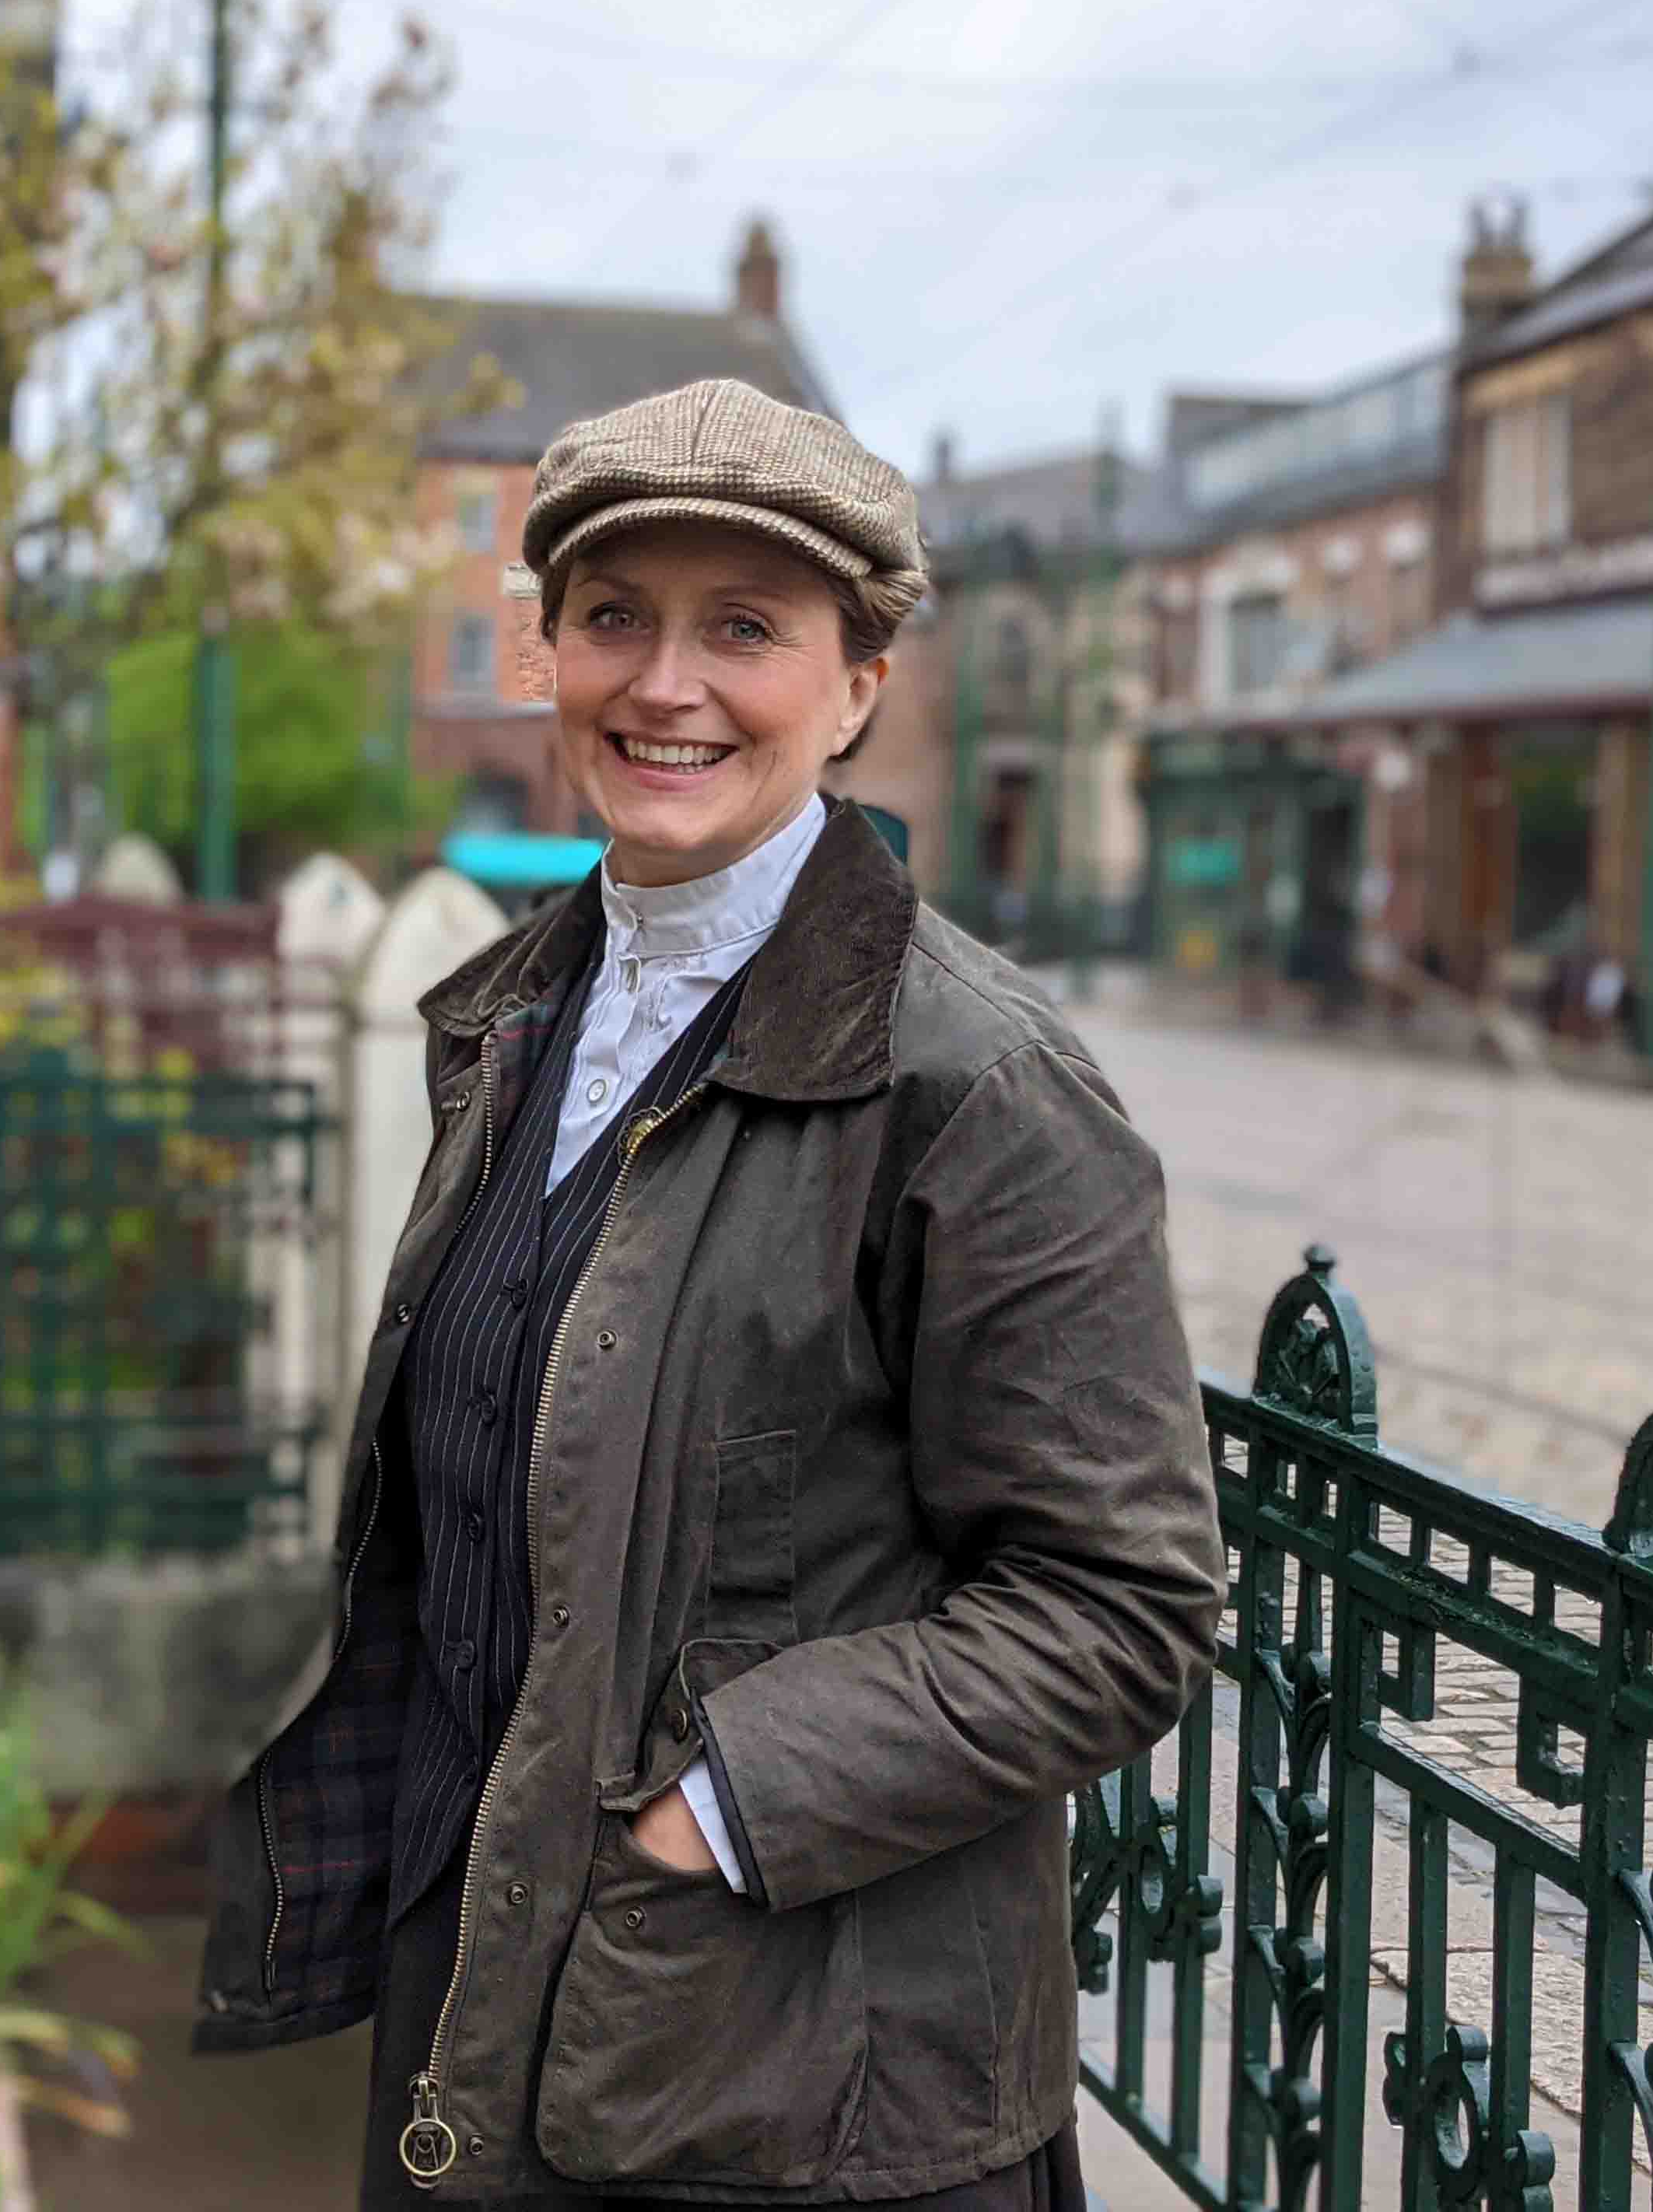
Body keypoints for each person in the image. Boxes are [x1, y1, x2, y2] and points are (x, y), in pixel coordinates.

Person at [195, 378, 1224, 2208]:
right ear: (550, 653)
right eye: (617, 618)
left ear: (859, 684)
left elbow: (1122, 1602)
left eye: (743, 628)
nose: (665, 685)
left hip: (795, 2082)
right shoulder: (520, 1015)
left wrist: (716, 1811)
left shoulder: (973, 1085)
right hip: (481, 1991)